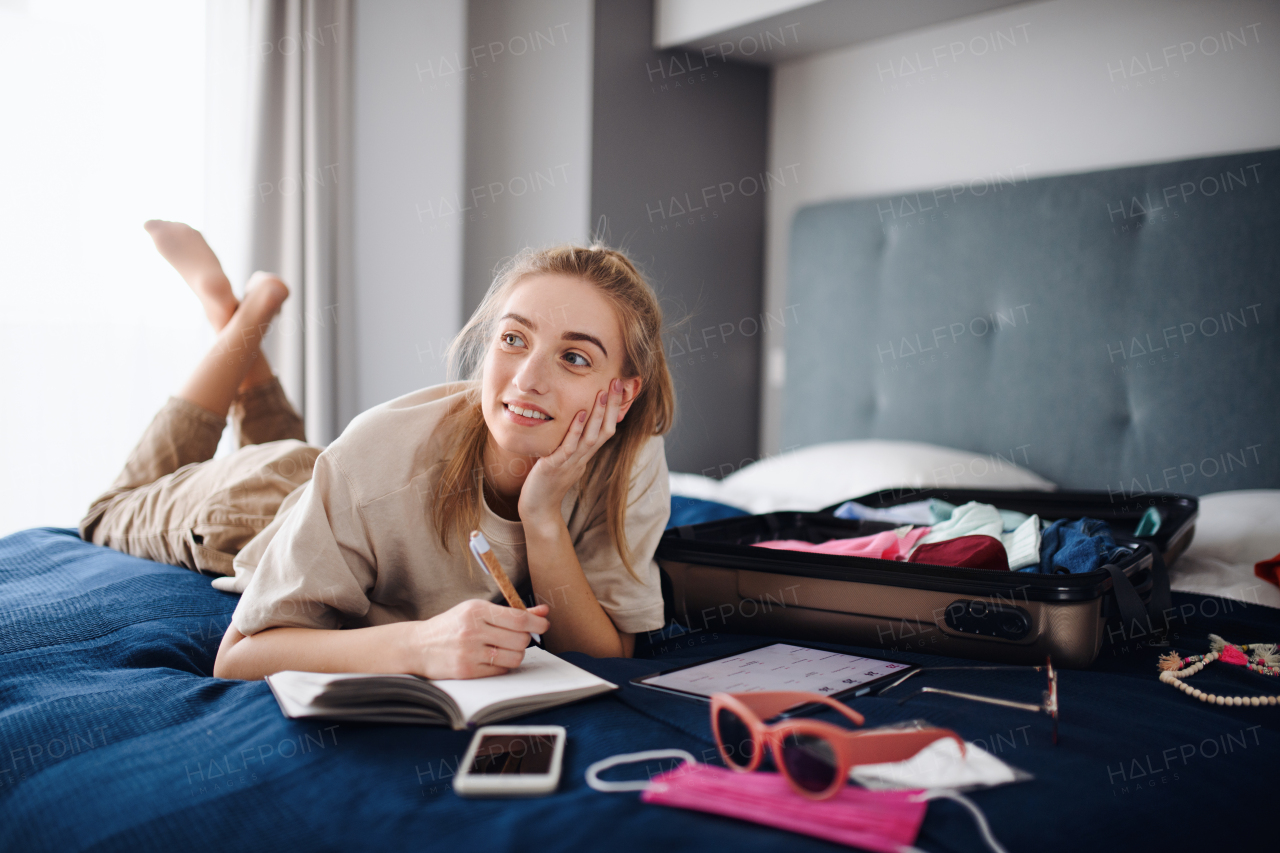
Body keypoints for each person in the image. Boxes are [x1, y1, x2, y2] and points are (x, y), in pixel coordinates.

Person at [79, 222, 674, 682]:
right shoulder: (382, 460)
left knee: (299, 449)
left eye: (574, 357)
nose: (525, 380)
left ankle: (242, 318)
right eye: (513, 339)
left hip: (341, 493)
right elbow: (238, 657)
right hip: (256, 508)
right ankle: (236, 313)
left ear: (621, 395)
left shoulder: (632, 459)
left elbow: (606, 653)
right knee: (108, 510)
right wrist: (418, 646)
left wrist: (541, 516)